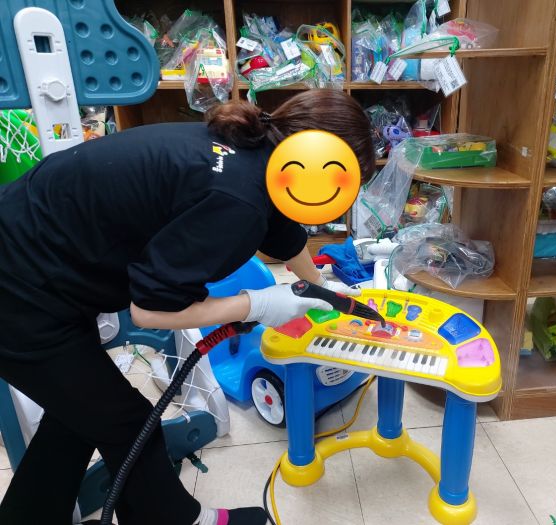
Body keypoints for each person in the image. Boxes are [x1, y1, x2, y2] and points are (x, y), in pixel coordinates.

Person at [0, 89, 375, 525]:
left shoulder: (257, 151)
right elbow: (150, 310)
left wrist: (325, 290)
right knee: (126, 422)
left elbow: (285, 234)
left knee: (79, 415)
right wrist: (256, 304)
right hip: (20, 288)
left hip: (38, 261)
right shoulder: (237, 199)